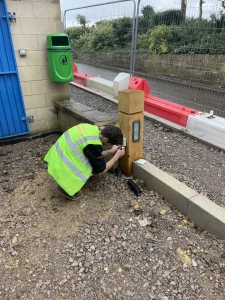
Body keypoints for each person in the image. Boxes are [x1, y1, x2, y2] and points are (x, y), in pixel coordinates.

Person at [44, 123, 125, 200]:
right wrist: (117, 156)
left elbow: (94, 155)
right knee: (92, 168)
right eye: (110, 144)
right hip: (64, 165)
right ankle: (65, 189)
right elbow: (102, 169)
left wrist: (111, 151)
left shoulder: (91, 129)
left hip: (56, 156)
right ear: (106, 139)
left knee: (93, 163)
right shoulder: (93, 144)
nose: (110, 146)